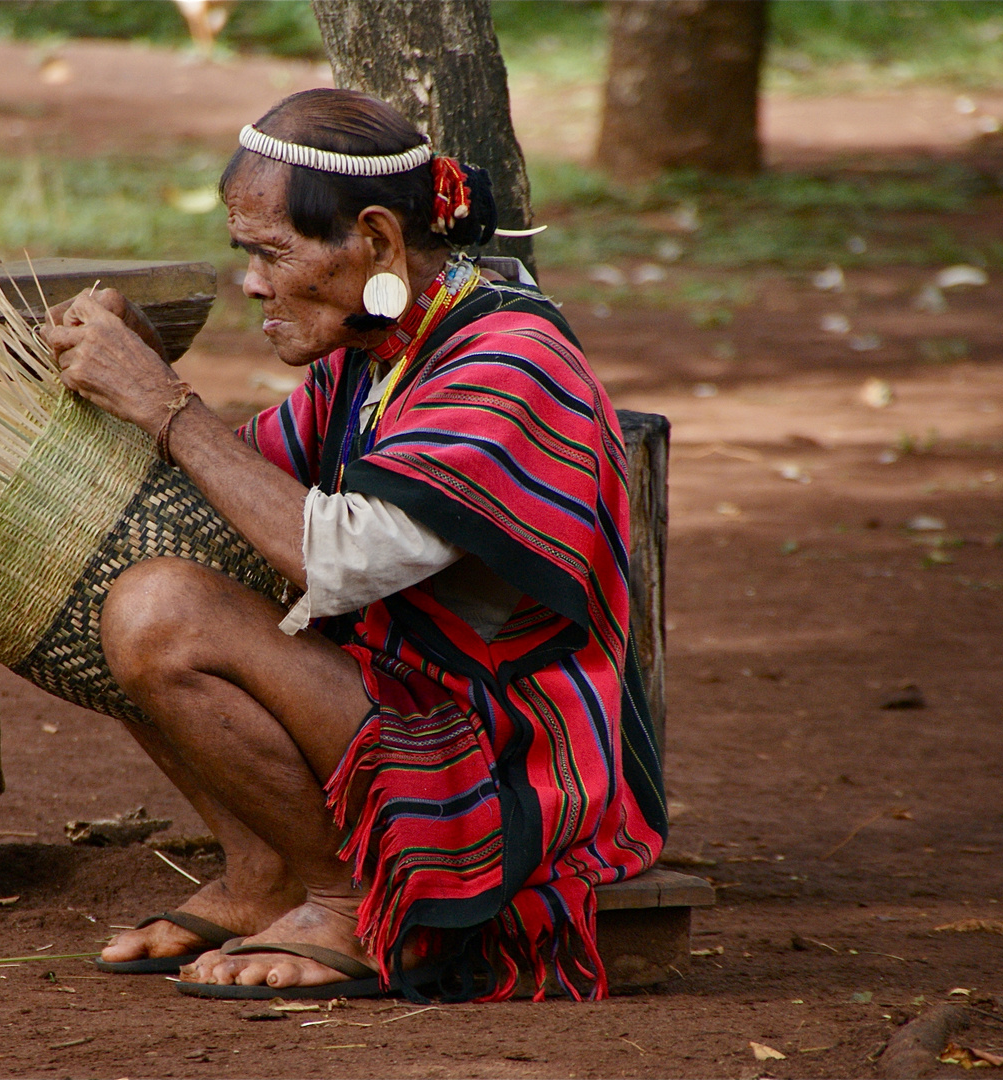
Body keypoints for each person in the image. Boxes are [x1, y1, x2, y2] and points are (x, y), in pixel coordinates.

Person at [41, 88, 666, 1002]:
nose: (251, 283)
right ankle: (265, 873)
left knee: (159, 611)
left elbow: (341, 559)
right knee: (108, 579)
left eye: (271, 253)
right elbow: (225, 506)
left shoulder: (510, 360)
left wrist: (166, 406)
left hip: (506, 765)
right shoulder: (375, 355)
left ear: (374, 242)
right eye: (244, 254)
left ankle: (353, 902)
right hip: (409, 710)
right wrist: (137, 373)